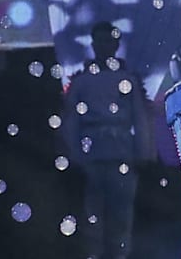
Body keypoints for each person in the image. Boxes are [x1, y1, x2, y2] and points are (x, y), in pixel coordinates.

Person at [63, 22, 155, 259]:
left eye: (108, 41)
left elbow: (140, 118)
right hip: (92, 153)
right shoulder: (81, 82)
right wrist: (74, 153)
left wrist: (143, 151)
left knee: (121, 212)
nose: (104, 46)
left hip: (122, 152)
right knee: (92, 213)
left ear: (115, 45)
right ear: (93, 45)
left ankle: (120, 255)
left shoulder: (127, 80)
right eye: (100, 41)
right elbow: (72, 120)